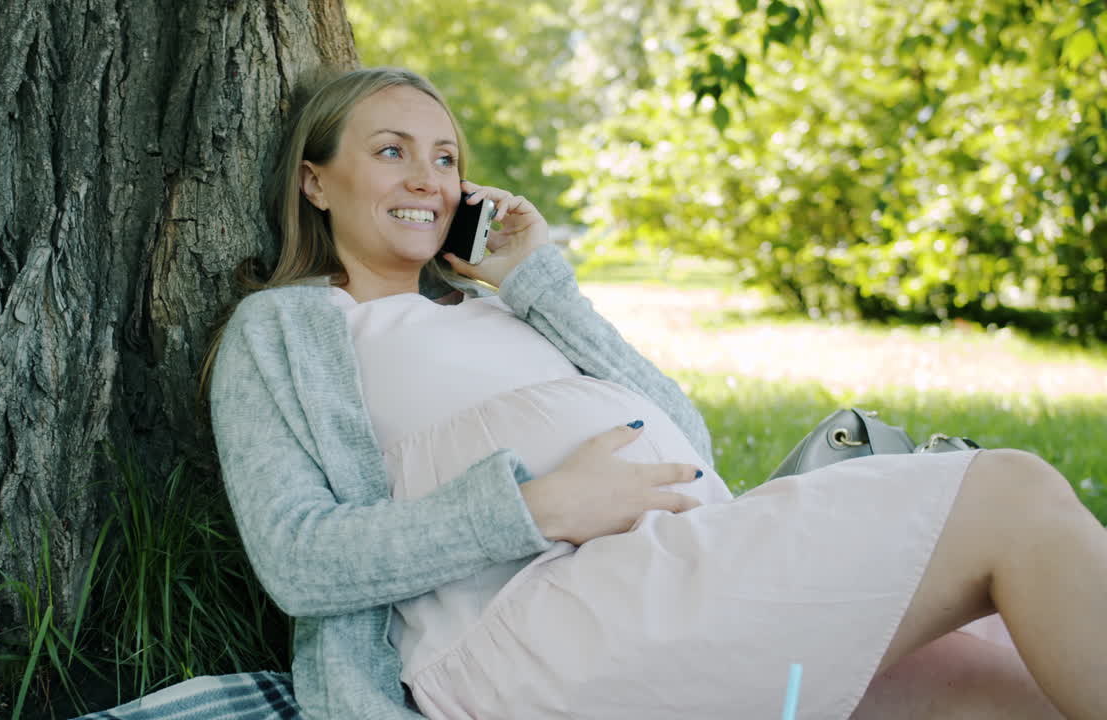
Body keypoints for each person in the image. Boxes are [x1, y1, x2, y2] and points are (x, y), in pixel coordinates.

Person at [205, 66, 1107, 719]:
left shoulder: (495, 307)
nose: (426, 180)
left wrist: (536, 282)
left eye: (445, 158)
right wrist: (538, 508)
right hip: (538, 638)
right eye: (391, 151)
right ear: (315, 180)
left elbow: (684, 434)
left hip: (672, 575)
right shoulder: (286, 329)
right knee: (1011, 498)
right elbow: (300, 559)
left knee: (997, 688)